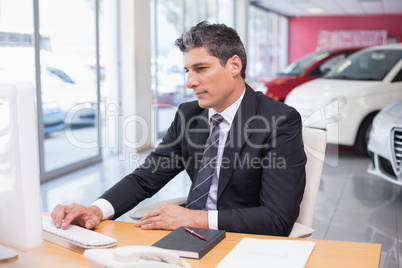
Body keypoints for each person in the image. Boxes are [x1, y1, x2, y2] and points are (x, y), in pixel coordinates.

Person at [51, 21, 306, 236]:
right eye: (187, 70)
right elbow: (145, 178)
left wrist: (194, 219)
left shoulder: (279, 121)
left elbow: (277, 219)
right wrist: (96, 210)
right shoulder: (189, 115)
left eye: (201, 69)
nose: (190, 82)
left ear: (234, 66)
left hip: (239, 241)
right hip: (188, 237)